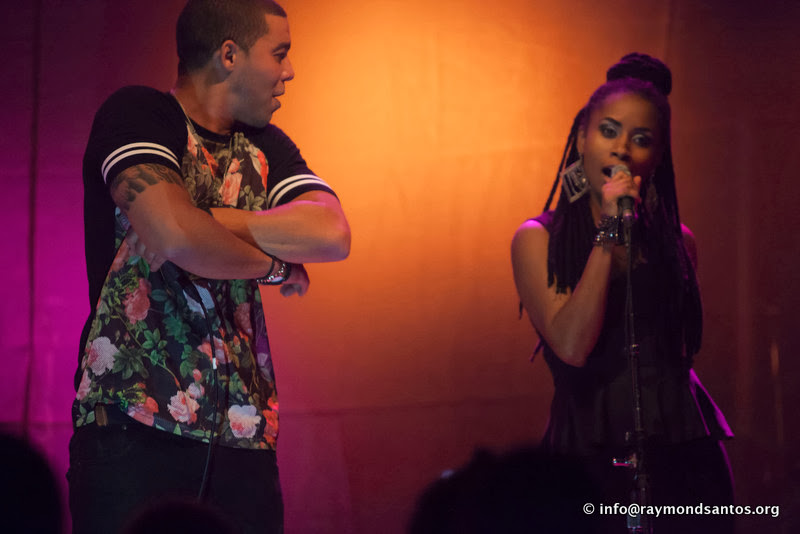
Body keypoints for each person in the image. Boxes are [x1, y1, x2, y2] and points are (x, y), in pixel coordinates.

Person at [68, 1, 350, 533]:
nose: (289, 71)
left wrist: (210, 219)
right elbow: (173, 235)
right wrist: (272, 267)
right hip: (132, 423)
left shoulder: (265, 145)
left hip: (242, 436)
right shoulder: (139, 113)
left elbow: (332, 233)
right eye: (279, 53)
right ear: (229, 55)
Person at [511, 54, 734, 533]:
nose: (622, 149)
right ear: (581, 138)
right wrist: (610, 230)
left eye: (641, 139)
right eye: (609, 131)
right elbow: (572, 345)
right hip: (589, 461)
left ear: (657, 157)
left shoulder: (678, 242)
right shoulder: (537, 239)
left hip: (684, 457)